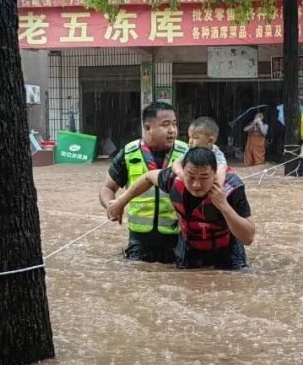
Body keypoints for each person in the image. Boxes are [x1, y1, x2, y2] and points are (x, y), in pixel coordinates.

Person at [107, 147, 254, 270]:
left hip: (227, 249)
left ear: (215, 174)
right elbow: (148, 177)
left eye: (204, 177)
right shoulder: (175, 179)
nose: (196, 184)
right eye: (191, 176)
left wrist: (224, 206)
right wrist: (121, 202)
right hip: (190, 247)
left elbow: (248, 237)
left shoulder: (232, 187)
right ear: (183, 171)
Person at [99, 101, 189, 263]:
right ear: (148, 128)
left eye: (174, 124)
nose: (172, 130)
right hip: (139, 239)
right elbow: (107, 187)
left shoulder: (187, 153)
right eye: (165, 125)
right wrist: (110, 205)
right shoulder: (128, 153)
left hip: (177, 238)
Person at [172, 116, 228, 187]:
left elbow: (222, 168)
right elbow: (176, 163)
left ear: (210, 141)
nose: (190, 141)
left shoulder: (216, 154)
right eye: (190, 137)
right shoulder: (190, 150)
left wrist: (217, 187)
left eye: (195, 138)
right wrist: (182, 175)